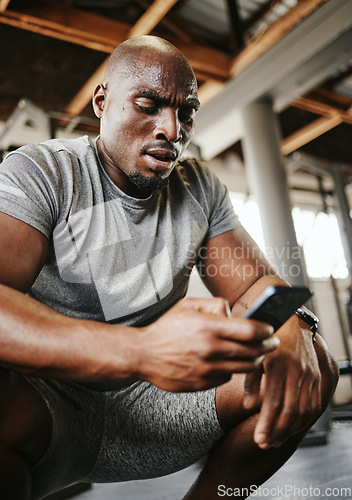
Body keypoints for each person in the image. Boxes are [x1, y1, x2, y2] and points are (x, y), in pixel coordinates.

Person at [0, 35, 338, 500]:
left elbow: (256, 284)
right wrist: (140, 350)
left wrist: (293, 327)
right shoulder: (43, 172)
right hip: (46, 405)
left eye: (187, 112)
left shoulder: (198, 185)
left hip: (156, 403)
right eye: (149, 105)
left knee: (313, 362)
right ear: (103, 101)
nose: (172, 129)